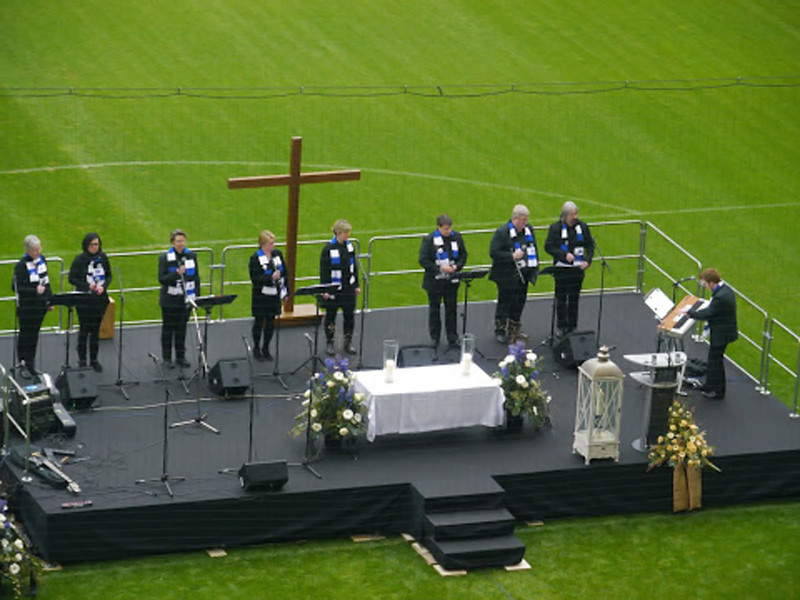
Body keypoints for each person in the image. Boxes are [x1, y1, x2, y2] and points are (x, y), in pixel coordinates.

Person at [489, 204, 539, 343]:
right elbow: (494, 252)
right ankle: (500, 329)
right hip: (506, 275)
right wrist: (511, 256)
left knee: (519, 303)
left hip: (523, 274)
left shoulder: (528, 230)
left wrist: (534, 267)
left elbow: (534, 248)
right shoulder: (502, 232)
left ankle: (514, 330)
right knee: (504, 303)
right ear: (514, 218)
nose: (525, 223)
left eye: (526, 219)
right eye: (523, 220)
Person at [685, 268, 738, 399]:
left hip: (721, 334)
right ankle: (710, 385)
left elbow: (709, 313)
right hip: (723, 331)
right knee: (714, 361)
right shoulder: (724, 290)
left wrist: (690, 313)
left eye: (705, 284)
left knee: (715, 362)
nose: (705, 286)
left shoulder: (720, 296)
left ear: (711, 283)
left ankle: (718, 391)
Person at [544, 201, 594, 338]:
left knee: (574, 298)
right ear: (565, 216)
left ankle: (572, 326)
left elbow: (590, 245)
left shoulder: (582, 227)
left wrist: (588, 261)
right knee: (561, 298)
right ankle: (561, 325)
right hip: (561, 269)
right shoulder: (555, 228)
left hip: (577, 270)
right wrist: (563, 255)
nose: (575, 217)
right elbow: (549, 246)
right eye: (572, 214)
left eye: (576, 213)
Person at [418, 214, 468, 348]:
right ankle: (435, 338)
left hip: (451, 281)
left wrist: (456, 267)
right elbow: (423, 260)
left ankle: (452, 337)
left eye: (449, 228)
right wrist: (439, 268)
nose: (448, 231)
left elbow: (463, 254)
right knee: (434, 310)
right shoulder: (429, 240)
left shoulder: (456, 237)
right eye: (445, 229)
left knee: (451, 310)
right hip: (434, 282)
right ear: (438, 227)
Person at [68, 233, 112, 372]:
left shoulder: (103, 257)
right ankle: (82, 360)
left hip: (99, 300)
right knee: (84, 329)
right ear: (86, 245)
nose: (95, 247)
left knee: (95, 330)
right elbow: (72, 278)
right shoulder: (80, 260)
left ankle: (94, 359)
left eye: (97, 244)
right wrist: (88, 286)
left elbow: (109, 275)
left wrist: (103, 287)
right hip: (84, 300)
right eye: (92, 244)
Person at [158, 229, 200, 368]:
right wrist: (176, 273)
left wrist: (196, 298)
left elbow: (196, 278)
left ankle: (181, 356)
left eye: (183, 241)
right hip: (170, 299)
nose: (181, 244)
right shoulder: (165, 258)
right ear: (172, 242)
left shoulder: (191, 256)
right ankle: (167, 357)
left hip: (185, 298)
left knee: (182, 328)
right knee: (168, 329)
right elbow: (162, 279)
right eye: (178, 241)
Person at [12, 235, 53, 378]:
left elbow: (46, 282)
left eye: (39, 249)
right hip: (26, 307)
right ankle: (22, 363)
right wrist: (34, 290)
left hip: (39, 307)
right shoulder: (21, 265)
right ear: (28, 250)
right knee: (25, 335)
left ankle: (31, 363)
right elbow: (16, 287)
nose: (38, 252)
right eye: (35, 250)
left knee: (34, 335)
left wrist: (49, 300)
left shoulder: (42, 260)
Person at [320, 219, 360, 356]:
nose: (348, 235)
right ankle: (330, 343)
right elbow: (324, 271)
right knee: (331, 316)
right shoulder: (328, 249)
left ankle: (348, 343)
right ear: (338, 233)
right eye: (346, 232)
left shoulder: (350, 247)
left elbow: (354, 267)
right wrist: (325, 289)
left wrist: (357, 285)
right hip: (334, 289)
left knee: (349, 317)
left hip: (348, 289)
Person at [249, 230, 288, 361]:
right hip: (261, 297)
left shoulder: (277, 255)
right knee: (259, 322)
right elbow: (255, 279)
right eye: (271, 243)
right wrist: (270, 277)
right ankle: (256, 347)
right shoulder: (255, 258)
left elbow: (285, 272)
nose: (273, 245)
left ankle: (266, 347)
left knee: (271, 322)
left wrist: (285, 291)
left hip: (274, 295)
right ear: (263, 244)